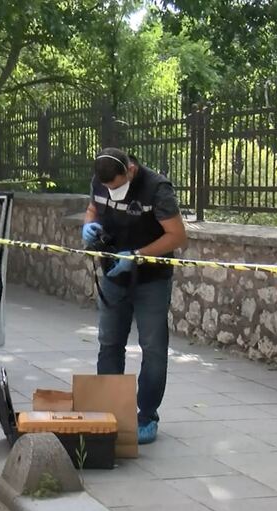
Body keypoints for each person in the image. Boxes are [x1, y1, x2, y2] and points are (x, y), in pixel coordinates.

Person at [82, 148, 187, 444]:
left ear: (130, 170)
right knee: (109, 343)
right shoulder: (100, 180)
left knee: (152, 348)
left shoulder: (157, 189)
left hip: (151, 280)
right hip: (114, 275)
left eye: (117, 186)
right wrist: (88, 225)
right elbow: (92, 208)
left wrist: (138, 255)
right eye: (108, 188)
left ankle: (147, 415)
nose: (112, 192)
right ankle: (110, 412)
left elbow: (177, 236)